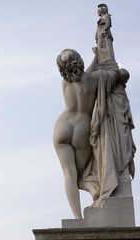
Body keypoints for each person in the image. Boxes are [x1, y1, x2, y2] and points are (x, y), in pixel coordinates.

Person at [53, 49, 130, 219]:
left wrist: (96, 58)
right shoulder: (96, 79)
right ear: (78, 60)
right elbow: (123, 74)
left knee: (69, 174)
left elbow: (81, 75)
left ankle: (78, 218)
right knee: (80, 176)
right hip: (82, 129)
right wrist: (117, 72)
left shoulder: (65, 82)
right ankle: (93, 189)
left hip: (62, 126)